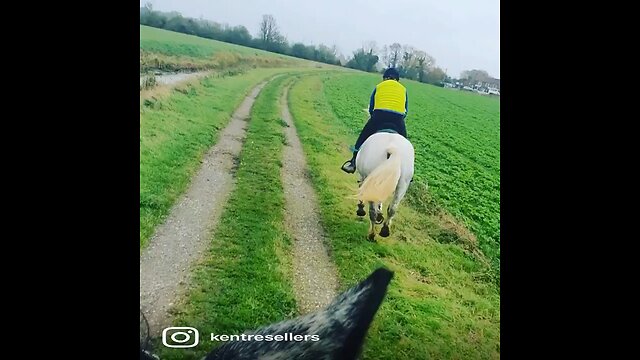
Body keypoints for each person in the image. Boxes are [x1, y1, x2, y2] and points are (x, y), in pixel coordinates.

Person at [341, 67, 408, 174]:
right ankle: (407, 171)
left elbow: (371, 107)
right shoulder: (403, 89)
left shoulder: (379, 87)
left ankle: (353, 162)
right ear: (397, 79)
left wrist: (374, 116)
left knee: (363, 136)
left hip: (379, 116)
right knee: (405, 142)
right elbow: (405, 110)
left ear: (385, 78)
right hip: (398, 119)